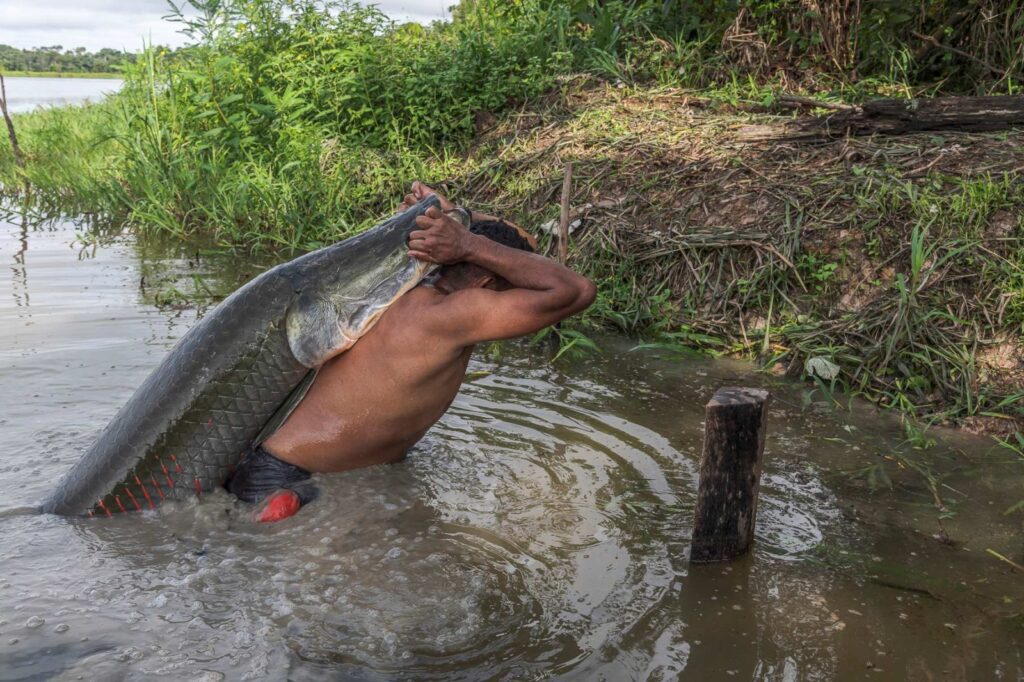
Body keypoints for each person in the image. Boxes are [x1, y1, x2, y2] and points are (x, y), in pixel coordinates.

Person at [226, 182, 597, 521]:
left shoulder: (406, 292)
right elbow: (576, 290)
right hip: (281, 481)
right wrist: (469, 243)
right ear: (485, 282)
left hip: (291, 469)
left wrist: (453, 219)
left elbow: (517, 241)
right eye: (513, 287)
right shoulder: (452, 315)